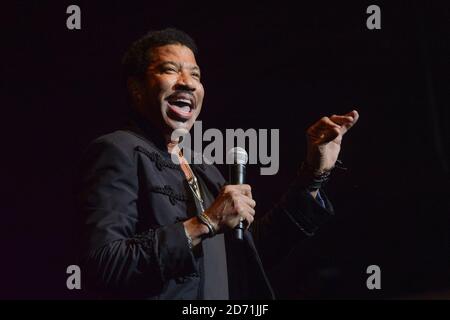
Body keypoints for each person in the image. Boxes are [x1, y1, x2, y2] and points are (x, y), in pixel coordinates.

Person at [78, 28, 359, 299]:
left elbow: (248, 255)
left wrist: (314, 174)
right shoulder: (118, 150)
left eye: (195, 74)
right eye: (170, 70)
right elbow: (105, 264)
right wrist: (207, 222)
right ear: (137, 88)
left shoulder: (202, 166)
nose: (187, 82)